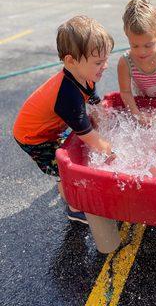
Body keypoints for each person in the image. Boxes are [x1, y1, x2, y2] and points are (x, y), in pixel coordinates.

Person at [13, 15, 115, 224]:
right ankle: (75, 209)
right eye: (98, 62)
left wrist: (104, 118)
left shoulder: (85, 74)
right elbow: (88, 135)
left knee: (74, 142)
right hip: (34, 138)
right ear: (71, 61)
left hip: (52, 128)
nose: (105, 66)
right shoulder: (67, 94)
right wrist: (110, 149)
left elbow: (93, 99)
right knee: (65, 171)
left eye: (106, 59)